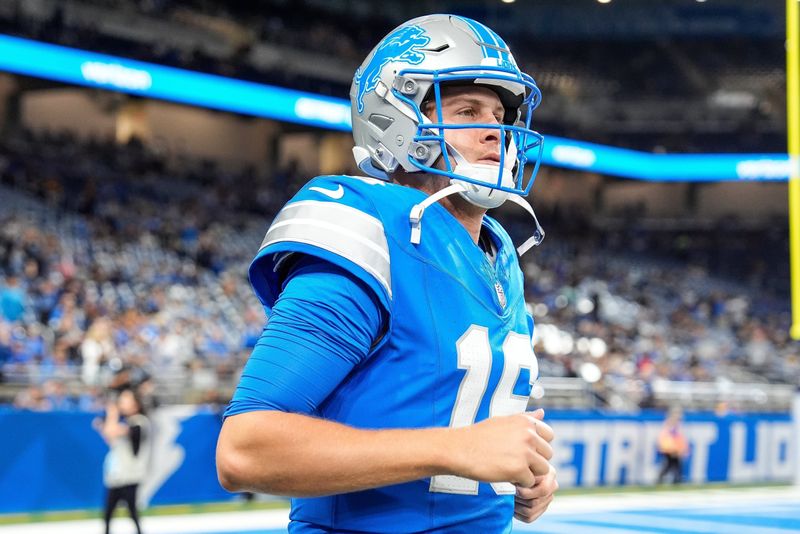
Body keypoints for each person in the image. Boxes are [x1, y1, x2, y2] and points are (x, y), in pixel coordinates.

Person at [217, 14, 557, 533]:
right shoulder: (371, 230)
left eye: (500, 112)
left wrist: (513, 476)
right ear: (396, 123)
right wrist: (455, 450)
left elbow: (451, 427)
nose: (496, 129)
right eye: (467, 111)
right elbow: (245, 450)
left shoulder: (499, 253)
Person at [95, 388, 150, 534]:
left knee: (132, 511)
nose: (122, 403)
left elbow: (116, 431)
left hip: (130, 476)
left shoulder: (140, 422)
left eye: (126, 400)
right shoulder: (126, 422)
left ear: (136, 404)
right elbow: (111, 438)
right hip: (117, 476)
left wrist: (112, 414)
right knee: (108, 513)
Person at [657, 408, 688, 485]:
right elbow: (668, 441)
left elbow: (680, 441)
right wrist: (673, 450)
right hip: (670, 451)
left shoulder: (675, 428)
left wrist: (681, 450)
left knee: (674, 466)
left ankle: (676, 480)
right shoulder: (670, 429)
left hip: (674, 450)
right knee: (669, 466)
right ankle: (664, 480)